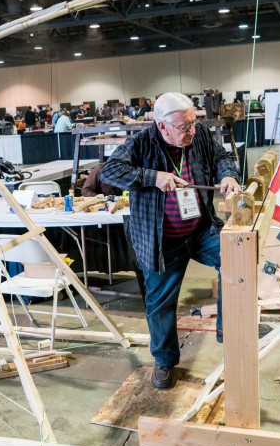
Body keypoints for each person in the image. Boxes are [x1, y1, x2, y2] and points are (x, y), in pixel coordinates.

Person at [101, 92, 242, 390]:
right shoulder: (140, 143)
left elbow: (221, 157)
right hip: (161, 239)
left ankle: (227, 330)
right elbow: (111, 171)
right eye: (184, 127)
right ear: (162, 126)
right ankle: (165, 362)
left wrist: (229, 176)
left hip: (200, 229)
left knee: (235, 257)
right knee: (161, 303)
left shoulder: (198, 133)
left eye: (192, 124)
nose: (191, 131)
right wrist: (153, 177)